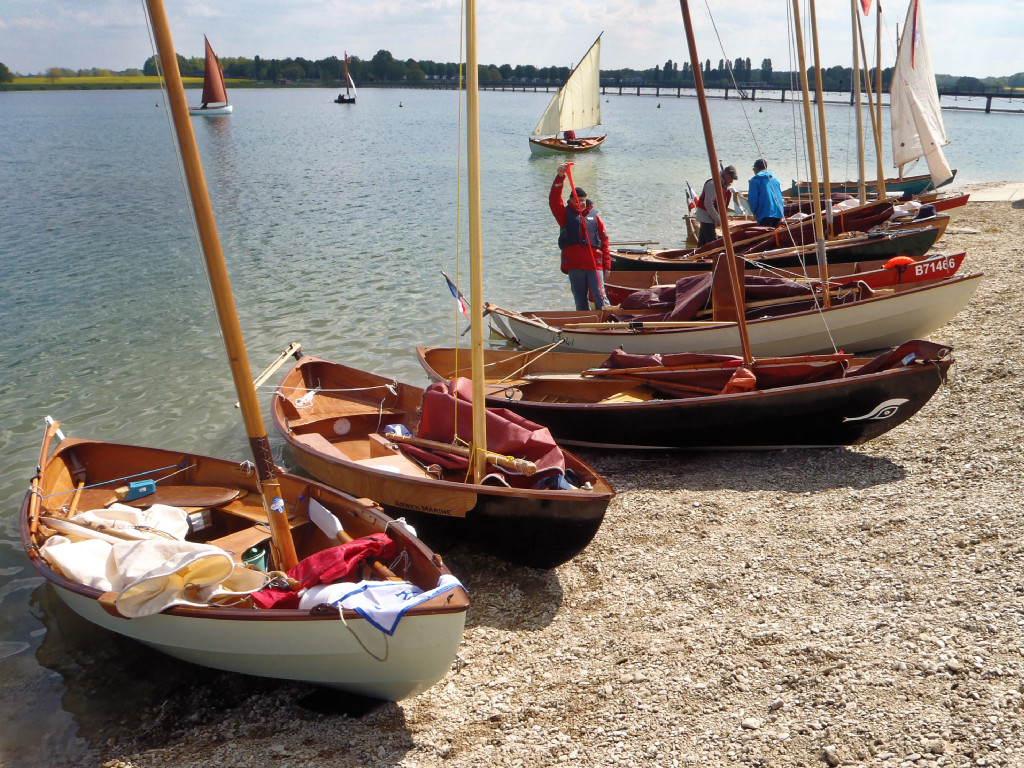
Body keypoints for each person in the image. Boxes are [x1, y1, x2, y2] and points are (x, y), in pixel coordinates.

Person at [550, 163, 611, 310]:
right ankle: (586, 327)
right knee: (580, 300)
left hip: (594, 264)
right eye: (577, 200)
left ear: (586, 201)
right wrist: (560, 177)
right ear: (570, 201)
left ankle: (610, 325)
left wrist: (607, 266)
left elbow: (605, 241)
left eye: (583, 201)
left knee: (600, 297)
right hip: (575, 265)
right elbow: (554, 200)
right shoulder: (564, 215)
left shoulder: (595, 218)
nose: (580, 203)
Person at [694, 165, 737, 247]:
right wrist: (718, 219)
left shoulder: (723, 184)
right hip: (706, 216)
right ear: (726, 174)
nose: (732, 181)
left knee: (702, 243)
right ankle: (715, 258)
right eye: (731, 178)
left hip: (709, 217)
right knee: (713, 243)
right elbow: (708, 204)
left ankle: (697, 256)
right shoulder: (713, 184)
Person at [747, 158, 784, 228]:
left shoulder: (755, 181)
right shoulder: (775, 180)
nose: (753, 171)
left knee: (764, 236)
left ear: (756, 168)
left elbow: (753, 200)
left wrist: (754, 213)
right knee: (773, 236)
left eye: (753, 169)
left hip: (765, 214)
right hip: (778, 213)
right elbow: (779, 197)